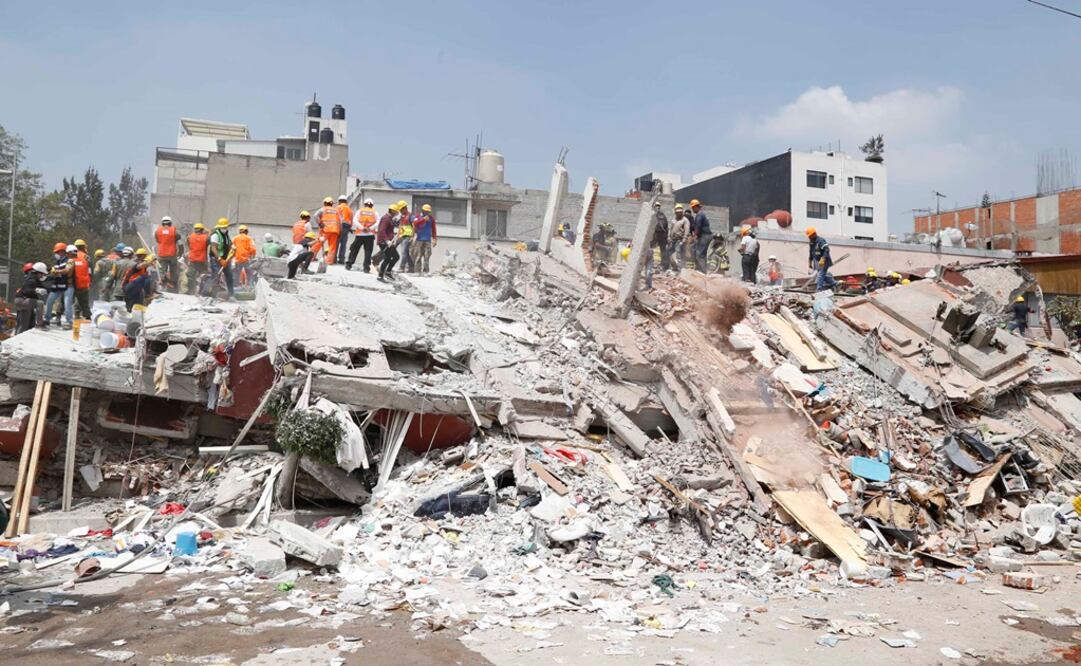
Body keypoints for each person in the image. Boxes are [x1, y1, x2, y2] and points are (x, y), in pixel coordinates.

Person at [44, 242, 73, 329]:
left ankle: (69, 322)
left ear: (63, 251)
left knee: (68, 304)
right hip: (57, 286)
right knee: (49, 302)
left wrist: (57, 272)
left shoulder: (69, 260)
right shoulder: (57, 262)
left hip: (67, 285)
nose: (56, 254)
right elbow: (54, 272)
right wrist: (52, 272)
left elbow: (67, 270)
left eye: (57, 252)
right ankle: (47, 319)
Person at [203, 217, 235, 299]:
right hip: (216, 259)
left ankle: (231, 294)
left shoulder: (226, 235)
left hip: (225, 259)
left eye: (225, 227)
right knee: (215, 275)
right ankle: (205, 293)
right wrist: (220, 259)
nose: (224, 229)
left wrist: (232, 250)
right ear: (219, 227)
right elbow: (213, 248)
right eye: (223, 227)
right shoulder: (215, 235)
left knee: (229, 276)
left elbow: (229, 245)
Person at [15, 262, 48, 334]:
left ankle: (20, 336)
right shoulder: (31, 279)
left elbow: (44, 287)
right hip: (22, 300)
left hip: (26, 301)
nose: (42, 276)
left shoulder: (35, 279)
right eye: (42, 274)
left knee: (25, 324)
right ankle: (40, 324)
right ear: (38, 272)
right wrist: (36, 290)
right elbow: (27, 290)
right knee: (40, 303)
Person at [348, 198, 379, 272]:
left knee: (354, 250)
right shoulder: (375, 212)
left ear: (364, 204)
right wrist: (370, 228)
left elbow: (354, 221)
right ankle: (366, 268)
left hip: (360, 234)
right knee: (368, 252)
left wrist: (362, 228)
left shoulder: (360, 211)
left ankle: (349, 264)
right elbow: (378, 222)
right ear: (372, 205)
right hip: (370, 235)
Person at [377, 202, 403, 282]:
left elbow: (390, 227)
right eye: (396, 211)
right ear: (392, 211)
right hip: (384, 242)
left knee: (396, 257)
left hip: (389, 241)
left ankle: (388, 272)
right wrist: (386, 240)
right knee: (387, 258)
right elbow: (382, 230)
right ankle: (380, 276)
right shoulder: (386, 218)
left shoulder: (389, 218)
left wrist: (397, 222)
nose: (397, 213)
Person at [153, 215, 179, 291]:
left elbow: (157, 240)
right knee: (173, 270)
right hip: (172, 254)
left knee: (162, 270)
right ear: (170, 223)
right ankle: (173, 285)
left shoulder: (157, 231)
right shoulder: (174, 230)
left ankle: (163, 284)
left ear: (162, 223)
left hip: (161, 254)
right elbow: (178, 237)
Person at [806, 227, 836, 292]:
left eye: (810, 236)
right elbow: (811, 252)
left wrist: (823, 258)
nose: (809, 237)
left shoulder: (821, 241)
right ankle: (835, 283)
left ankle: (818, 290)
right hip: (819, 262)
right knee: (823, 275)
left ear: (814, 234)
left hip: (825, 261)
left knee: (820, 275)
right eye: (809, 236)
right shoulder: (811, 243)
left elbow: (827, 250)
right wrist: (810, 261)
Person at [411, 203, 438, 274]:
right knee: (418, 255)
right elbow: (415, 223)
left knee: (427, 256)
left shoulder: (431, 218)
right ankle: (417, 270)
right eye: (426, 211)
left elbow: (434, 229)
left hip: (428, 240)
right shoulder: (418, 216)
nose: (427, 212)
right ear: (422, 210)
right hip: (419, 239)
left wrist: (434, 239)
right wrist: (423, 219)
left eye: (428, 211)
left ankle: (426, 271)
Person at [315, 197, 342, 265]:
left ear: (325, 203)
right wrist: (340, 230)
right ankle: (329, 261)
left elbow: (315, 216)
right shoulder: (336, 211)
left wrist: (320, 223)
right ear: (332, 204)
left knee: (318, 243)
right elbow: (340, 221)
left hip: (325, 230)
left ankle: (311, 256)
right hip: (335, 230)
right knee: (332, 246)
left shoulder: (323, 209)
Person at [689, 199, 712, 273]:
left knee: (699, 254)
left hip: (704, 236)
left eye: (693, 208)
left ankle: (702, 271)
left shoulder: (699, 215)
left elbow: (698, 227)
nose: (692, 209)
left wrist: (694, 237)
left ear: (696, 207)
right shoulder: (701, 214)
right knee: (703, 254)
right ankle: (702, 270)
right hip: (707, 235)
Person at [70, 244, 92, 319]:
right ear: (83, 247)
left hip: (72, 283)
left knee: (66, 300)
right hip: (83, 282)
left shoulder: (70, 256)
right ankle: (87, 317)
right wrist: (90, 281)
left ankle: (59, 316)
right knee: (84, 301)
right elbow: (90, 271)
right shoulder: (86, 257)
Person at [186, 223, 209, 295]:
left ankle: (191, 291)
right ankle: (202, 291)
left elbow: (189, 246)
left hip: (192, 260)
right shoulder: (206, 237)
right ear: (202, 230)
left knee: (190, 275)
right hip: (202, 260)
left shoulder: (190, 237)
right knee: (204, 276)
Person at [667, 204, 690, 271]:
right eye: (677, 212)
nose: (678, 213)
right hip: (672, 240)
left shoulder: (685, 220)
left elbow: (687, 231)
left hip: (679, 240)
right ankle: (673, 268)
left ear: (682, 212)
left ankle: (680, 269)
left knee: (678, 255)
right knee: (671, 254)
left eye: (680, 212)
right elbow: (670, 229)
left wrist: (684, 240)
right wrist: (668, 237)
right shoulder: (674, 220)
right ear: (675, 212)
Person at [397, 202, 415, 273]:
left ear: (405, 208)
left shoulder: (411, 216)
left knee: (404, 252)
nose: (400, 211)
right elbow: (400, 226)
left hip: (408, 236)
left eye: (401, 209)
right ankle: (411, 267)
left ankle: (402, 267)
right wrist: (398, 234)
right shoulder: (402, 216)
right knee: (406, 253)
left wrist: (412, 236)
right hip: (402, 235)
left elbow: (414, 226)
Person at [335, 195, 354, 265]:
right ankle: (341, 259)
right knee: (343, 244)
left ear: (339, 201)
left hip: (339, 225)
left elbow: (336, 217)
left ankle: (334, 258)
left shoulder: (338, 207)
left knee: (336, 242)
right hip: (347, 227)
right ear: (346, 201)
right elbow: (351, 219)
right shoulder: (349, 209)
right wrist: (350, 228)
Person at [652, 201, 670, 270]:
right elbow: (667, 227)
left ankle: (649, 264)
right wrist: (666, 236)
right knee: (663, 250)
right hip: (663, 235)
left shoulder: (653, 214)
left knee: (649, 249)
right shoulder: (663, 215)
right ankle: (664, 266)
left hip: (655, 234)